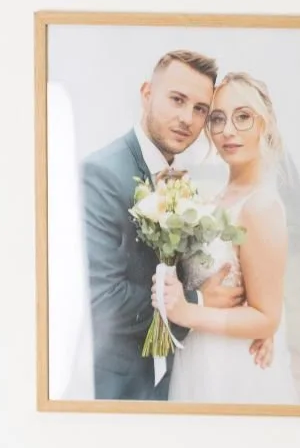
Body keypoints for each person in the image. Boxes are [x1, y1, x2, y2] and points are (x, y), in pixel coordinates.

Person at [81, 50, 254, 401]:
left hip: (174, 379)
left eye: (200, 109)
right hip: (121, 388)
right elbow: (102, 300)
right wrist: (199, 301)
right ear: (147, 94)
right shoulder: (101, 174)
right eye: (176, 99)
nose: (187, 118)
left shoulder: (180, 182)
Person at [157, 73, 299, 406]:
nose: (228, 131)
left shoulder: (260, 206)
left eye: (243, 117)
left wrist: (188, 313)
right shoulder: (216, 200)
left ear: (265, 124)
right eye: (217, 119)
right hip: (201, 360)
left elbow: (267, 316)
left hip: (233, 369)